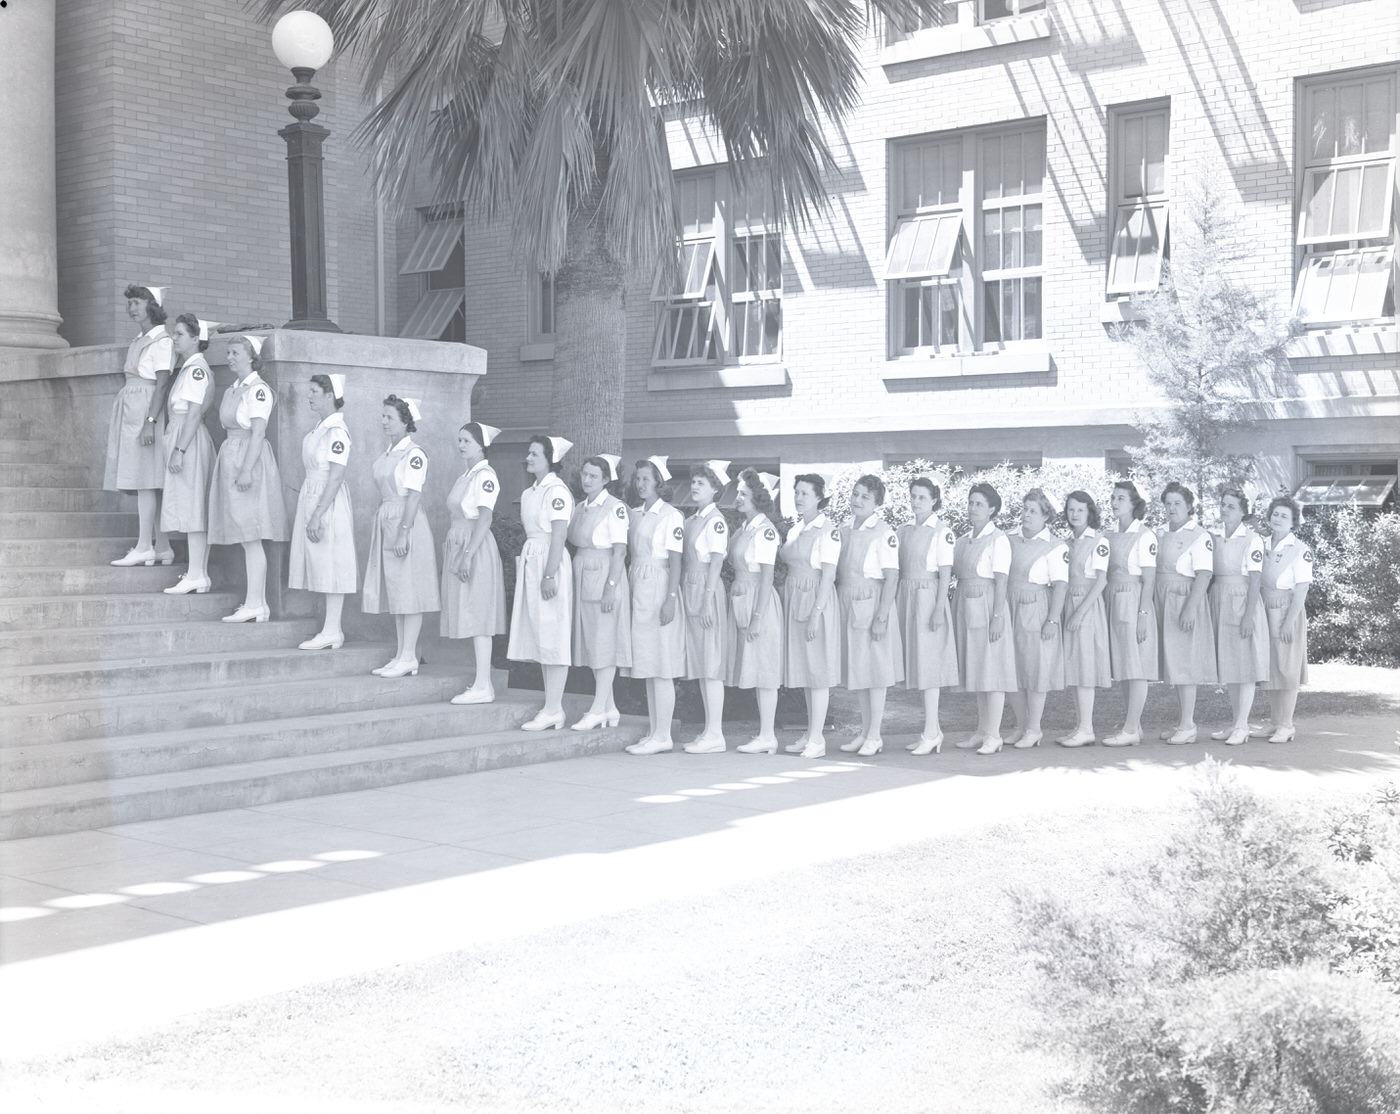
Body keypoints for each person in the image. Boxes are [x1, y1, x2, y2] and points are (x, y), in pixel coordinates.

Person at [207, 335, 288, 621]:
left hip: (247, 461)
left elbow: (258, 432)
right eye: (228, 352)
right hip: (232, 455)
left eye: (235, 353)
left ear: (251, 356)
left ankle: (257, 603)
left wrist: (246, 470)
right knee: (244, 535)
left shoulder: (257, 390)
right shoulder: (233, 389)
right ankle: (256, 603)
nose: (229, 357)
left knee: (251, 534)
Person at [362, 395, 439, 675]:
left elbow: (414, 496)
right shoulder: (388, 452)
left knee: (410, 591)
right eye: (383, 416)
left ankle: (410, 656)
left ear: (405, 421)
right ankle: (400, 653)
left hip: (407, 523)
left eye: (389, 417)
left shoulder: (413, 454)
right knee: (397, 592)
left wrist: (404, 532)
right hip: (387, 520)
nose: (383, 421)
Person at [508, 434, 575, 731]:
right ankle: (551, 706)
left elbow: (559, 535)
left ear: (550, 459)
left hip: (550, 561)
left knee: (554, 633)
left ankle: (553, 709)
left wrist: (550, 574)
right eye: (529, 453)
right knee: (540, 635)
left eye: (535, 454)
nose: (529, 458)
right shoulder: (530, 492)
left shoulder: (556, 492)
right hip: (532, 559)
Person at [623, 456, 687, 756]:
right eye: (638, 479)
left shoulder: (671, 516)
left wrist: (670, 599)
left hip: (659, 585)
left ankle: (663, 735)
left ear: (660, 482)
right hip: (638, 584)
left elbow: (676, 562)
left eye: (647, 479)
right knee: (647, 663)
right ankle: (654, 731)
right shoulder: (635, 513)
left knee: (662, 664)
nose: (641, 484)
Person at [836, 474, 903, 757]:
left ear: (877, 503)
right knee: (859, 670)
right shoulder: (844, 529)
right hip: (848, 601)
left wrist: (882, 616)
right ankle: (864, 732)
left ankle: (875, 735)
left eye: (866, 496)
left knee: (875, 672)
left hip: (872, 603)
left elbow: (892, 577)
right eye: (856, 494)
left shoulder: (884, 532)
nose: (858, 500)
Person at [107, 283, 174, 568]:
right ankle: (164, 547)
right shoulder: (139, 339)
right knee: (146, 481)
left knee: (146, 481)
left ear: (152, 306)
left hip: (147, 410)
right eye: (130, 303)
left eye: (137, 303)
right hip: (132, 409)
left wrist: (150, 422)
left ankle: (145, 545)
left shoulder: (162, 342)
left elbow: (161, 385)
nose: (131, 308)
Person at [290, 374, 358, 649]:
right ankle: (330, 629)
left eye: (315, 391)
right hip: (311, 493)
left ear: (330, 395)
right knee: (319, 561)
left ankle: (333, 630)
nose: (309, 396)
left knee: (332, 561)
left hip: (328, 499)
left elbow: (336, 476)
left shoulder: (337, 432)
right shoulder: (319, 428)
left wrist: (318, 513)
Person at [441, 421, 506, 704]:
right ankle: (480, 682)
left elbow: (485, 517)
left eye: (466, 440)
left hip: (475, 546)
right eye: (459, 440)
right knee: (468, 612)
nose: (461, 445)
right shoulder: (466, 475)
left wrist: (468, 555)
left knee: (479, 614)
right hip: (459, 542)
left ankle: (484, 684)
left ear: (481, 445)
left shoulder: (485, 476)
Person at [779, 473, 842, 760]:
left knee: (817, 672)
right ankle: (810, 731)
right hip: (796, 598)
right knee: (806, 670)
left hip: (816, 600)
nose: (799, 498)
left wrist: (816, 613)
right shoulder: (796, 529)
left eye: (805, 493)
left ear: (819, 497)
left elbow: (828, 575)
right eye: (797, 492)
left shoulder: (827, 530)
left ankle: (818, 739)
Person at [568, 454, 633, 730]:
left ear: (606, 479)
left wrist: (611, 588)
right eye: (585, 474)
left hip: (605, 573)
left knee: (604, 643)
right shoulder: (581, 507)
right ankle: (609, 707)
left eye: (594, 476)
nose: (587, 480)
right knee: (593, 643)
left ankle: (597, 709)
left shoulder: (614, 508)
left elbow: (620, 550)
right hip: (583, 571)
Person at [896, 476, 959, 755]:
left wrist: (937, 609)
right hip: (906, 596)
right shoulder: (903, 530)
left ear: (933, 499)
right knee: (916, 667)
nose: (916, 501)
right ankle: (930, 730)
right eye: (913, 496)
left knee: (929, 667)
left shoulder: (941, 531)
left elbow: (945, 574)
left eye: (922, 497)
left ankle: (932, 731)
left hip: (927, 597)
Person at [952, 482, 1016, 754]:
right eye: (970, 502)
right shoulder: (964, 539)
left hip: (988, 606)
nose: (973, 508)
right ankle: (981, 730)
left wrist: (998, 616)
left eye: (979, 504)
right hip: (965, 605)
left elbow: (1002, 582)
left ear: (992, 509)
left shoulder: (998, 539)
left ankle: (994, 735)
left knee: (993, 672)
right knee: (978, 671)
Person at [1154, 481, 1216, 743]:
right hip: (1162, 597)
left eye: (1177, 503)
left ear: (1190, 506)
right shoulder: (1160, 533)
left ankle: (1189, 725)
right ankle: (1182, 722)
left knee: (1184, 664)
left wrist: (1190, 609)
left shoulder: (1199, 535)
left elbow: (1204, 574)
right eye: (1168, 503)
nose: (1171, 508)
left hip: (1183, 600)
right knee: (1173, 665)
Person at [728, 470, 785, 754]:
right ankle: (764, 733)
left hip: (758, 603)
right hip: (742, 599)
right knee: (753, 667)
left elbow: (766, 577)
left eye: (744, 495)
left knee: (764, 669)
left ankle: (767, 735)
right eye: (738, 493)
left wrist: (757, 618)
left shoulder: (764, 531)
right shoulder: (744, 527)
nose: (738, 499)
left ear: (759, 499)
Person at [1006, 488, 1067, 750]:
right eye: (1024, 509)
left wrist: (1052, 620)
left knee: (1035, 669)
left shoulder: (1055, 547)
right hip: (1009, 605)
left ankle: (1034, 728)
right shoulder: (1009, 540)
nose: (1026, 515)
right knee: (1012, 668)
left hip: (1036, 607)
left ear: (1046, 516)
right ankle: (1020, 725)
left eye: (1033, 511)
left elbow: (1061, 586)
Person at [159, 314, 216, 594]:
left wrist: (180, 449)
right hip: (183, 435)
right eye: (174, 333)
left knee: (193, 507)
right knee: (188, 505)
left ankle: (196, 574)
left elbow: (193, 413)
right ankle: (198, 574)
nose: (174, 338)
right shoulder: (187, 368)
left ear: (196, 339)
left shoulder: (196, 370)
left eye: (180, 334)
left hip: (188, 438)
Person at [680, 460, 733, 753]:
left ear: (715, 489)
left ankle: (716, 733)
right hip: (691, 587)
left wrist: (707, 600)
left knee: (711, 664)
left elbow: (716, 562)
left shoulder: (715, 521)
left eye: (702, 483)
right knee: (701, 663)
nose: (695, 486)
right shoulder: (692, 520)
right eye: (694, 482)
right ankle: (709, 729)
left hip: (705, 590)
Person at [1208, 489, 1268, 745]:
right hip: (1219, 599)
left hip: (1242, 601)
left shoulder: (1252, 539)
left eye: (1231, 506)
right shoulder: (1215, 537)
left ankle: (1243, 726)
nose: (1225, 509)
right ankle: (1235, 723)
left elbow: (1255, 580)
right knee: (1230, 665)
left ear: (1243, 512)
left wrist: (1248, 616)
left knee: (1244, 665)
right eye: (1223, 505)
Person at [1103, 480, 1158, 746]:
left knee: (1136, 667)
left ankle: (1130, 728)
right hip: (1112, 598)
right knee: (1124, 666)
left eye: (1121, 498)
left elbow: (1149, 580)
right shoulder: (1109, 534)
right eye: (1113, 497)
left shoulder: (1145, 535)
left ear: (1134, 503)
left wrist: (1143, 615)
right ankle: (1133, 726)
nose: (1114, 502)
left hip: (1133, 600)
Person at [1256, 496, 1312, 743]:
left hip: (1287, 611)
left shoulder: (1300, 550)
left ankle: (1287, 725)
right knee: (1270, 667)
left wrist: (1288, 622)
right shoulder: (1262, 544)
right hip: (1264, 609)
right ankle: (1274, 722)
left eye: (1284, 516)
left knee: (1287, 668)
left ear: (1293, 523)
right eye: (1275, 514)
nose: (1277, 519)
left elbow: (1301, 590)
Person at [1058, 491, 1112, 747]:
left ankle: (1087, 728)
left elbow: (1101, 581)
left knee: (1085, 668)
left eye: (1080, 509)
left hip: (1086, 606)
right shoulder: (1066, 542)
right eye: (1071, 509)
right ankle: (1080, 726)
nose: (1075, 514)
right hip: (1069, 601)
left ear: (1089, 511)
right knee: (1073, 666)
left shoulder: (1098, 541)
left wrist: (1079, 613)